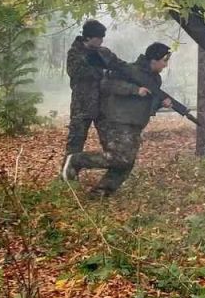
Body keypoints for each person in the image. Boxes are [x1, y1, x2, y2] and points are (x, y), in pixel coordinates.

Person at [61, 42, 173, 197]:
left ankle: (101, 192)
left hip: (135, 123)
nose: (165, 65)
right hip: (116, 119)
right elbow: (107, 85)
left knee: (127, 162)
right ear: (154, 60)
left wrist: (161, 103)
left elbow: (147, 104)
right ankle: (77, 160)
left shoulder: (155, 79)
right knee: (119, 158)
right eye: (164, 61)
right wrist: (134, 90)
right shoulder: (129, 70)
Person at [64, 20, 124, 157]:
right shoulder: (75, 53)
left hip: (103, 105)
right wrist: (102, 72)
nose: (101, 41)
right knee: (75, 143)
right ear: (88, 37)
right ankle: (68, 175)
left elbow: (121, 66)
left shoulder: (104, 53)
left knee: (111, 143)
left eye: (102, 37)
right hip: (82, 105)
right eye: (98, 38)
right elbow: (75, 72)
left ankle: (114, 173)